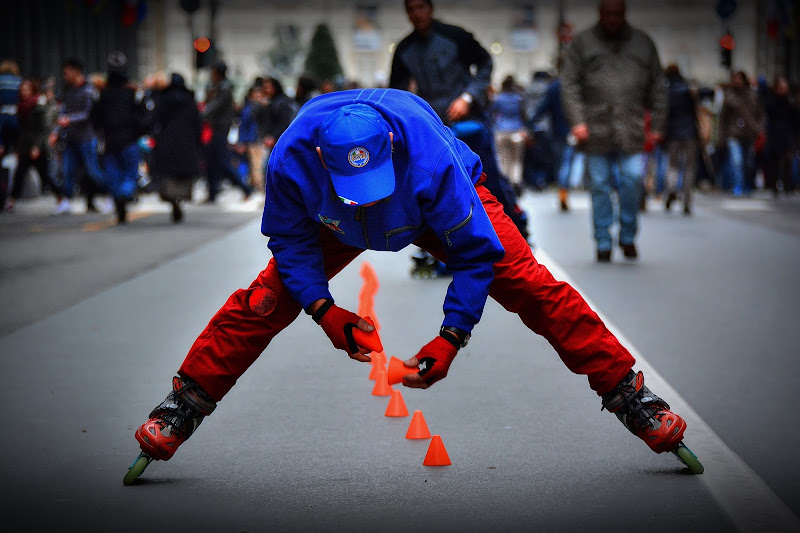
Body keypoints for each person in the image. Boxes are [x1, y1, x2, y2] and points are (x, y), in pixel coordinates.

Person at [130, 88, 691, 477]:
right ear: (322, 159)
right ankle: (183, 405)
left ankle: (630, 394)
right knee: (263, 301)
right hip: (331, 222)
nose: (364, 194)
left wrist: (451, 336)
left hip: (429, 209)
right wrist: (327, 312)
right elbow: (290, 244)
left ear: (392, 151)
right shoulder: (288, 162)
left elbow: (475, 255)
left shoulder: (431, 161)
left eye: (371, 180)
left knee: (532, 286)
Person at [390, 0, 529, 276]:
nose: (416, 14)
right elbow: (396, 93)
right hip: (434, 127)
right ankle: (443, 246)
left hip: (470, 121)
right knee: (437, 187)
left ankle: (516, 232)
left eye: (420, 7)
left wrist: (468, 97)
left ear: (430, 8)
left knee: (489, 181)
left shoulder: (455, 36)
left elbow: (485, 62)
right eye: (411, 9)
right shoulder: (404, 49)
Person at [561, 0, 667, 262]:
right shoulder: (583, 43)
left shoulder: (643, 43)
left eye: (617, 14)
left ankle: (628, 235)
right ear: (600, 13)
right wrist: (577, 121)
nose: (612, 19)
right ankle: (603, 241)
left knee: (633, 180)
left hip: (631, 128)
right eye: (608, 14)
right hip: (595, 129)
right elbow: (569, 84)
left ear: (624, 14)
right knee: (599, 185)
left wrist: (657, 125)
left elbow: (658, 87)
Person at [49, 58, 109, 215]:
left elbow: (88, 114)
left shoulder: (88, 90)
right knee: (68, 172)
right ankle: (66, 202)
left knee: (93, 171)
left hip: (87, 138)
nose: (65, 75)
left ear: (76, 71)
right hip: (70, 138)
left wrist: (69, 120)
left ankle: (112, 195)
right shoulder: (68, 90)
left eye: (67, 72)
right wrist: (56, 131)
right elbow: (63, 112)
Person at [92, 51, 145, 224]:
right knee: (130, 173)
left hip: (110, 140)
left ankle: (118, 196)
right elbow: (142, 116)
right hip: (129, 139)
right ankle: (124, 194)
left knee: (112, 173)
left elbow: (95, 117)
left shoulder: (102, 94)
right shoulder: (132, 94)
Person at [4, 77, 63, 212]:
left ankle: (61, 198)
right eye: (22, 89)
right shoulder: (21, 106)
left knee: (45, 175)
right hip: (24, 145)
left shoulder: (38, 105)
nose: (23, 91)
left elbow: (41, 128)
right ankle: (11, 201)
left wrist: (36, 146)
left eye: (26, 89)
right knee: (19, 174)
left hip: (36, 147)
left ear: (32, 90)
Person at [150, 73, 202, 223]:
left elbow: (155, 120)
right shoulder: (190, 101)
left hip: (167, 141)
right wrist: (198, 143)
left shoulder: (162, 99)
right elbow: (196, 123)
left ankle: (171, 198)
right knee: (183, 177)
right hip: (186, 142)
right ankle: (180, 199)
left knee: (167, 175)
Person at [201, 60, 253, 203]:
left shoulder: (224, 88)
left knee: (222, 161)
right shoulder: (215, 86)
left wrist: (201, 114)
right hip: (213, 128)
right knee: (211, 161)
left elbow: (213, 107)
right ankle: (212, 193)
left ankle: (245, 188)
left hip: (220, 128)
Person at [530, 75, 577, 211]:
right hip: (572, 129)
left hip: (557, 131)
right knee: (567, 162)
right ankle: (564, 190)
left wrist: (531, 122)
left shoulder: (554, 87)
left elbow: (544, 107)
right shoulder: (573, 85)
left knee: (559, 162)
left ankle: (562, 190)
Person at [719, 70, 764, 196]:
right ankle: (737, 186)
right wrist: (721, 136)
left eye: (740, 79)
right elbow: (723, 119)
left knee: (748, 162)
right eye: (736, 79)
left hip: (749, 134)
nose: (738, 81)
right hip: (733, 133)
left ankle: (747, 185)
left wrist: (759, 128)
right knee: (736, 161)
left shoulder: (752, 96)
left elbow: (760, 114)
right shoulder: (729, 97)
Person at [662, 64, 699, 215]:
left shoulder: (667, 91)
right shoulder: (689, 90)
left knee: (673, 166)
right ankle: (687, 199)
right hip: (690, 132)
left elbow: (664, 114)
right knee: (689, 167)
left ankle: (671, 189)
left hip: (673, 133)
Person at [490, 75, 528, 193]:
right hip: (517, 130)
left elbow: (491, 113)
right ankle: (516, 180)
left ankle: (506, 183)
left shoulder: (498, 98)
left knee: (504, 159)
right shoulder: (519, 98)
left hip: (501, 131)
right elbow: (524, 115)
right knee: (517, 160)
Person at [762, 75, 799, 197]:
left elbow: (795, 120)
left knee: (788, 161)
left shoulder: (790, 102)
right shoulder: (771, 101)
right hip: (774, 135)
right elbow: (767, 114)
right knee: (774, 162)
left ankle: (788, 186)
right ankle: (774, 186)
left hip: (788, 136)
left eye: (785, 87)